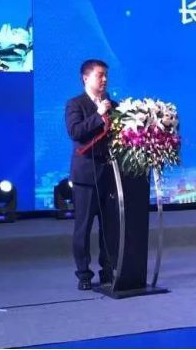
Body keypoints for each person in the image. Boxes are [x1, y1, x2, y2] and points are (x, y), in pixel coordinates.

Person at [65, 59, 119, 291]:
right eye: (100, 75)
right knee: (83, 227)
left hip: (109, 175)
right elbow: (75, 132)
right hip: (86, 176)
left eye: (106, 75)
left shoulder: (113, 105)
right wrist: (98, 115)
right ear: (86, 78)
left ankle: (108, 269)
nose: (104, 79)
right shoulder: (75, 104)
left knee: (110, 227)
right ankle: (84, 274)